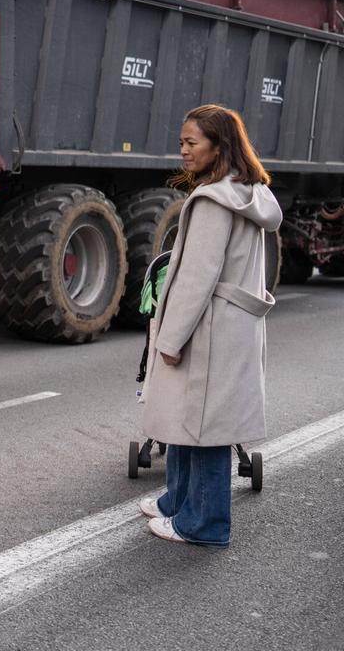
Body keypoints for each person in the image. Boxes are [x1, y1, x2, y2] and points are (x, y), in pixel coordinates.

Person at [139, 104, 282, 546]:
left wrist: (170, 338)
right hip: (229, 325)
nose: (182, 150)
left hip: (209, 326)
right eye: (181, 141)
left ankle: (203, 524)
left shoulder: (213, 202)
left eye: (191, 142)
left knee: (205, 428)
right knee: (193, 419)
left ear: (218, 146)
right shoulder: (246, 191)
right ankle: (179, 502)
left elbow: (196, 279)